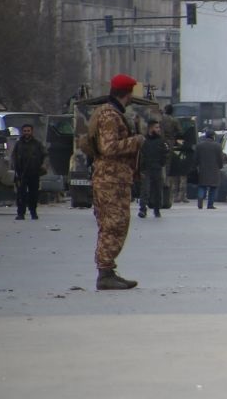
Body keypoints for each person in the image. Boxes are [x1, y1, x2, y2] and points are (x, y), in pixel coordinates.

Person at [91, 74, 145, 290]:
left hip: (113, 178)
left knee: (112, 224)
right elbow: (109, 147)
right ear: (127, 93)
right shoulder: (110, 116)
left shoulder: (109, 113)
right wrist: (136, 141)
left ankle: (107, 270)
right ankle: (105, 273)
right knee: (115, 224)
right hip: (111, 180)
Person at [12, 123, 47, 221]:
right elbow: (14, 156)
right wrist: (15, 168)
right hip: (21, 173)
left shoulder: (37, 144)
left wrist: (43, 165)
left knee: (33, 194)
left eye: (28, 131)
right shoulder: (19, 144)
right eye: (25, 131)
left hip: (34, 173)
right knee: (21, 194)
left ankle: (33, 212)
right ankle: (20, 213)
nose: (26, 133)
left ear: (32, 131)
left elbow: (45, 155)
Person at [136, 121, 169, 219]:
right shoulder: (144, 140)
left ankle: (157, 209)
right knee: (145, 189)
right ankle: (142, 209)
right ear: (150, 128)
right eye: (156, 127)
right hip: (146, 168)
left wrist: (161, 163)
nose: (158, 129)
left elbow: (166, 154)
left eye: (159, 127)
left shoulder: (162, 141)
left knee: (157, 190)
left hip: (157, 168)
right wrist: (140, 168)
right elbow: (139, 155)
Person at [193, 130, 227, 209]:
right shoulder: (218, 146)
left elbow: (195, 158)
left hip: (202, 169)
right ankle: (210, 205)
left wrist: (196, 166)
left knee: (202, 186)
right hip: (214, 170)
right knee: (213, 187)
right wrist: (220, 166)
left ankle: (200, 199)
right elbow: (220, 159)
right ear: (213, 136)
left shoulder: (199, 146)